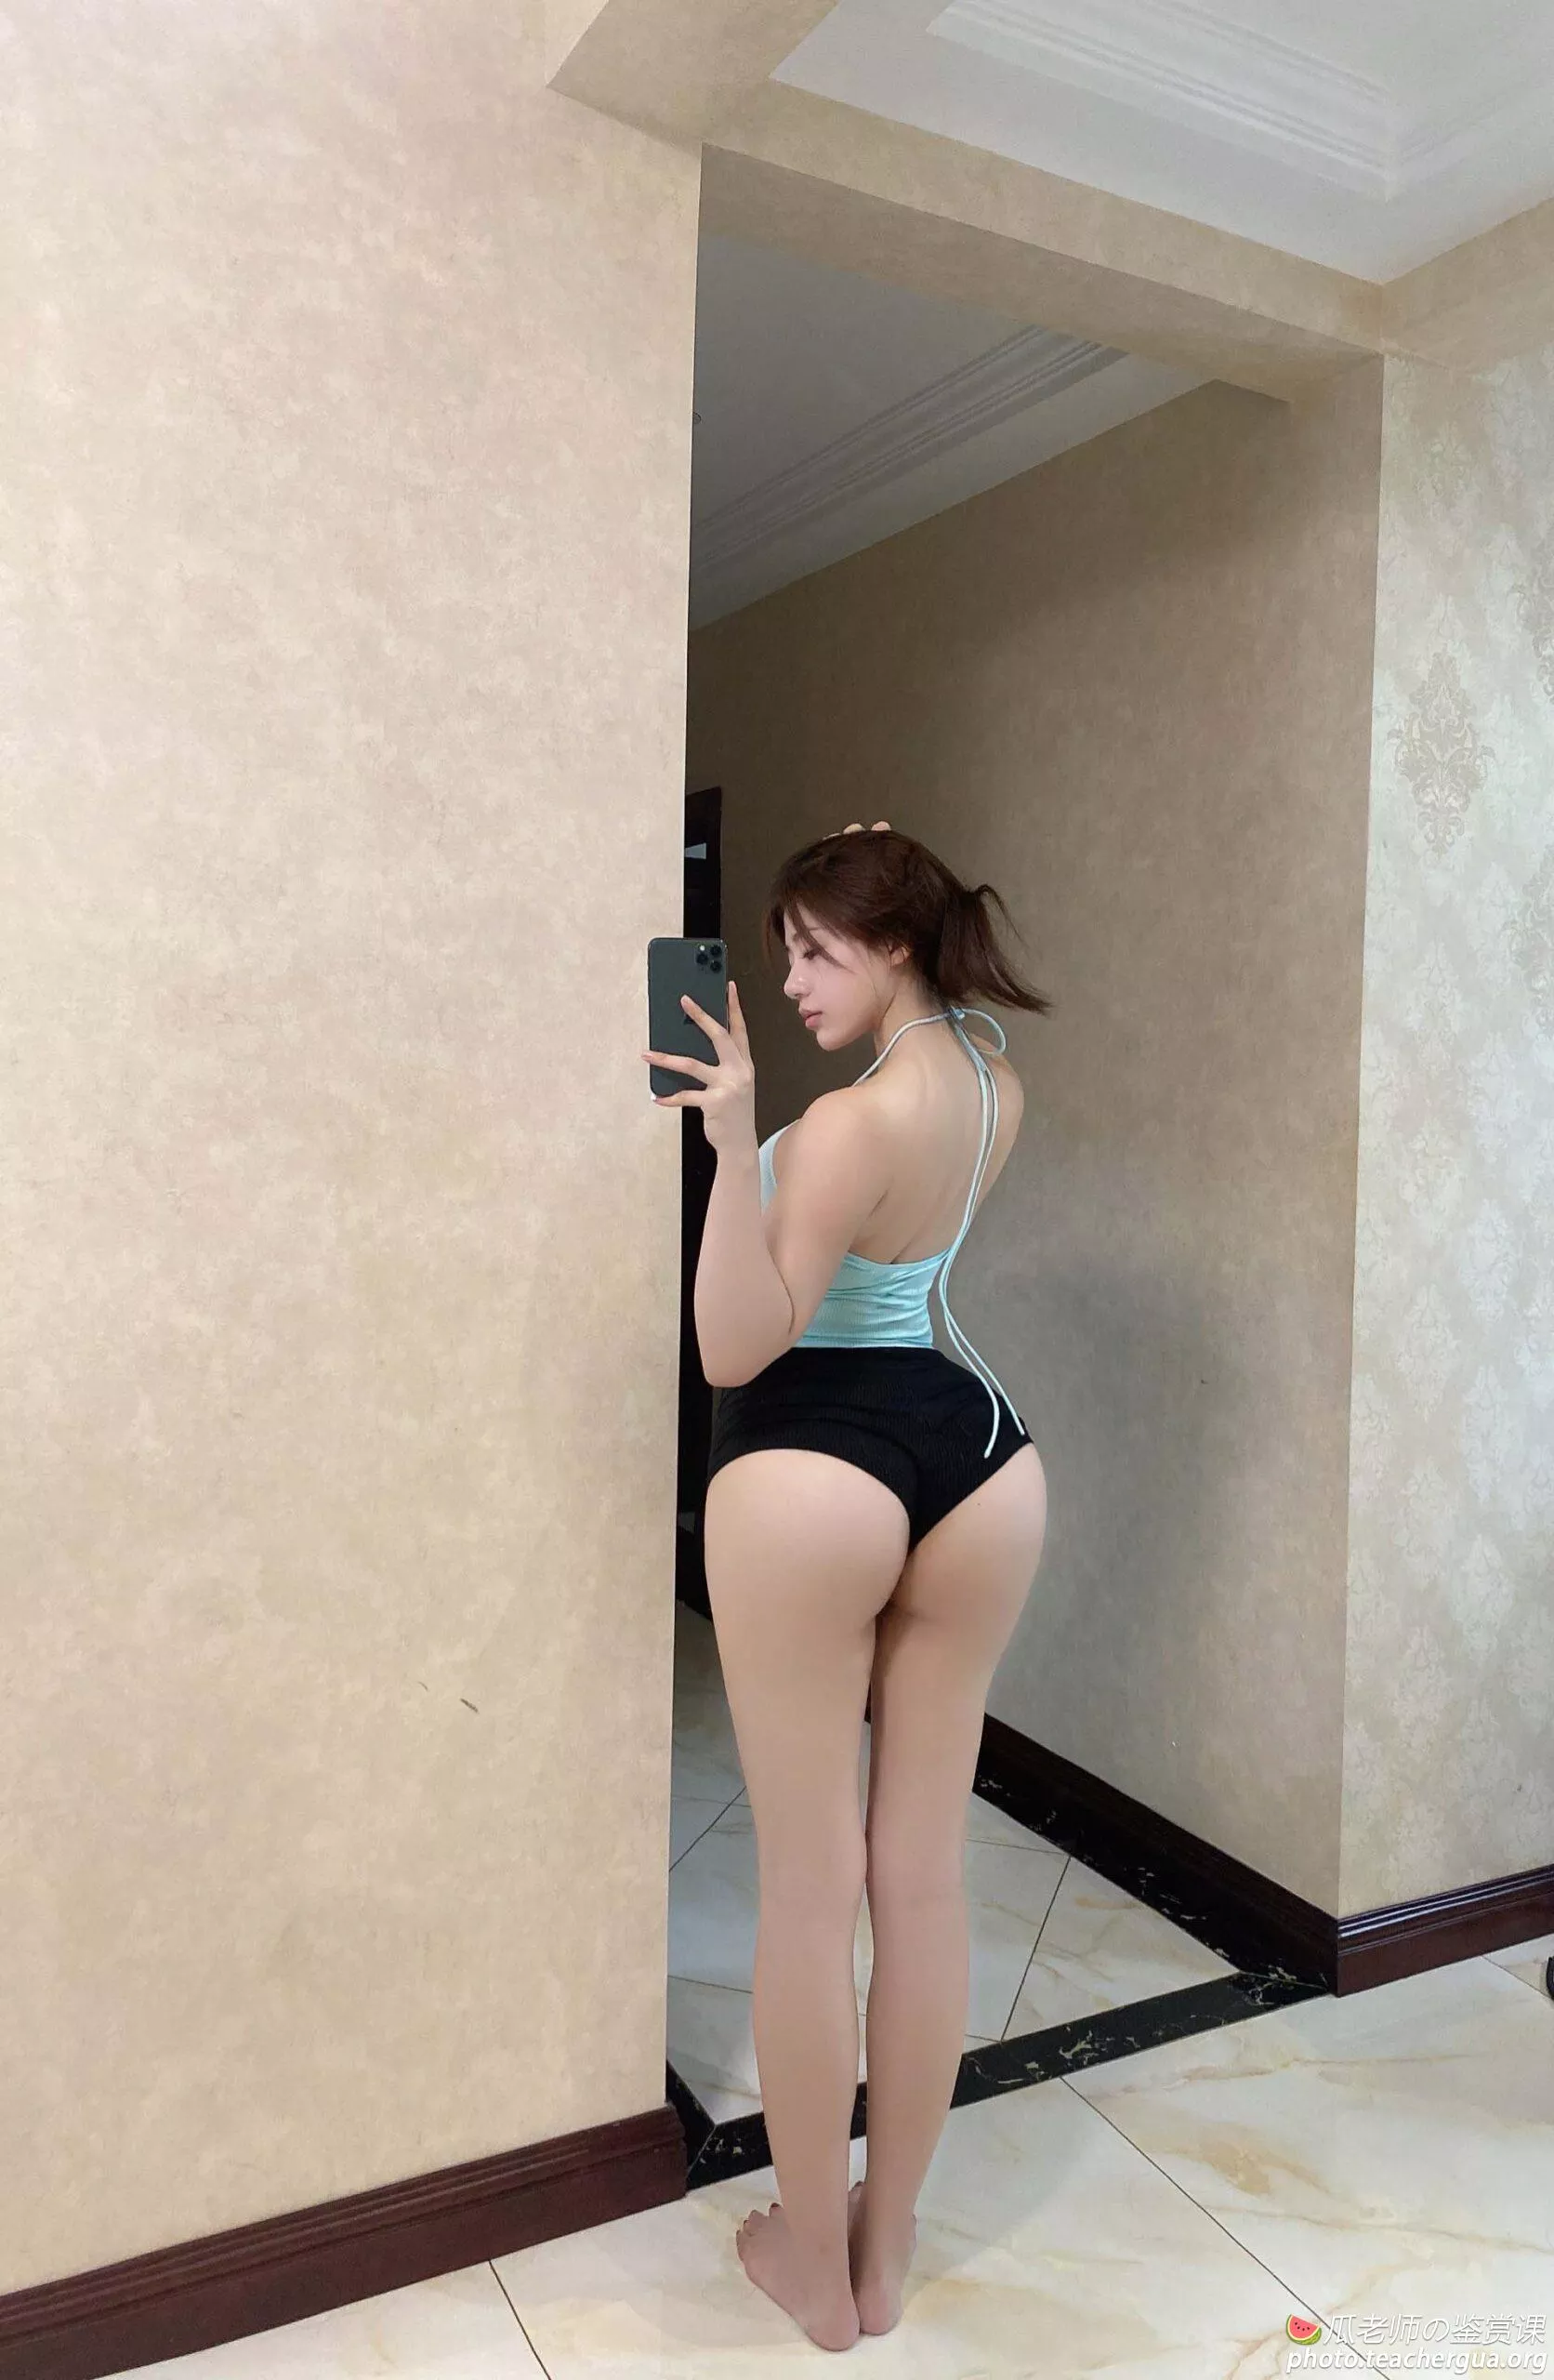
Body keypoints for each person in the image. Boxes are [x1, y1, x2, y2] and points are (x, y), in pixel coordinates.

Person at [642, 820, 1050, 2350]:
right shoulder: (996, 1083)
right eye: (783, 951)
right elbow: (900, 1263)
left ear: (893, 942)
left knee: (814, 1885)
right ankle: (888, 2247)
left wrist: (730, 1138)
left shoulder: (837, 1131)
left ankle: (815, 2271)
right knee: (922, 1873)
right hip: (980, 1463)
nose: (792, 981)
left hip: (814, 1462)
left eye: (816, 949)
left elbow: (734, 1347)